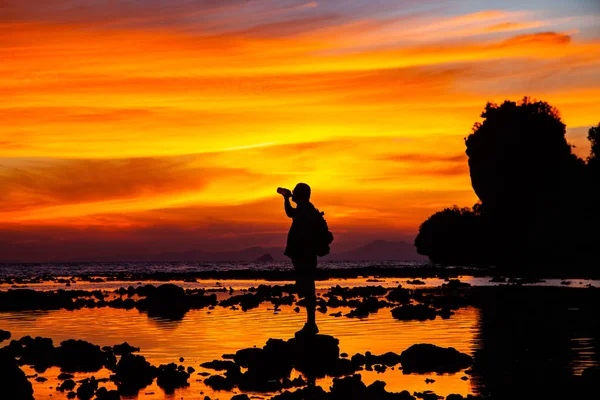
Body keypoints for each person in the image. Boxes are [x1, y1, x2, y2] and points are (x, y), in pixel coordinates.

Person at [280, 183, 319, 336]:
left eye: (295, 191)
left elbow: (290, 213)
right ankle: (311, 323)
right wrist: (286, 198)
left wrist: (285, 198)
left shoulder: (304, 209)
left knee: (308, 290)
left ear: (301, 195)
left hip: (304, 256)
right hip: (306, 255)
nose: (293, 193)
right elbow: (291, 213)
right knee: (308, 288)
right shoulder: (307, 209)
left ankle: (311, 324)